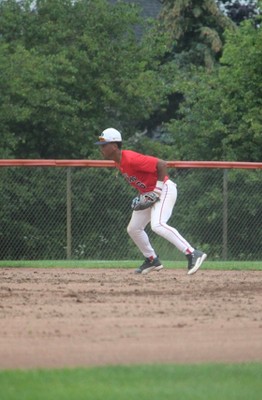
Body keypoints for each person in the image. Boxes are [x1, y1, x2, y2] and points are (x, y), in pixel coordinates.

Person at [95, 127, 207, 275]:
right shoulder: (118, 162)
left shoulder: (130, 158)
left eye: (104, 145)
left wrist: (157, 191)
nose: (101, 148)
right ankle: (152, 259)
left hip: (165, 189)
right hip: (150, 193)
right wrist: (144, 196)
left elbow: (161, 164)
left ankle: (192, 253)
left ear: (114, 146)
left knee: (158, 225)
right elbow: (143, 180)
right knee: (133, 228)